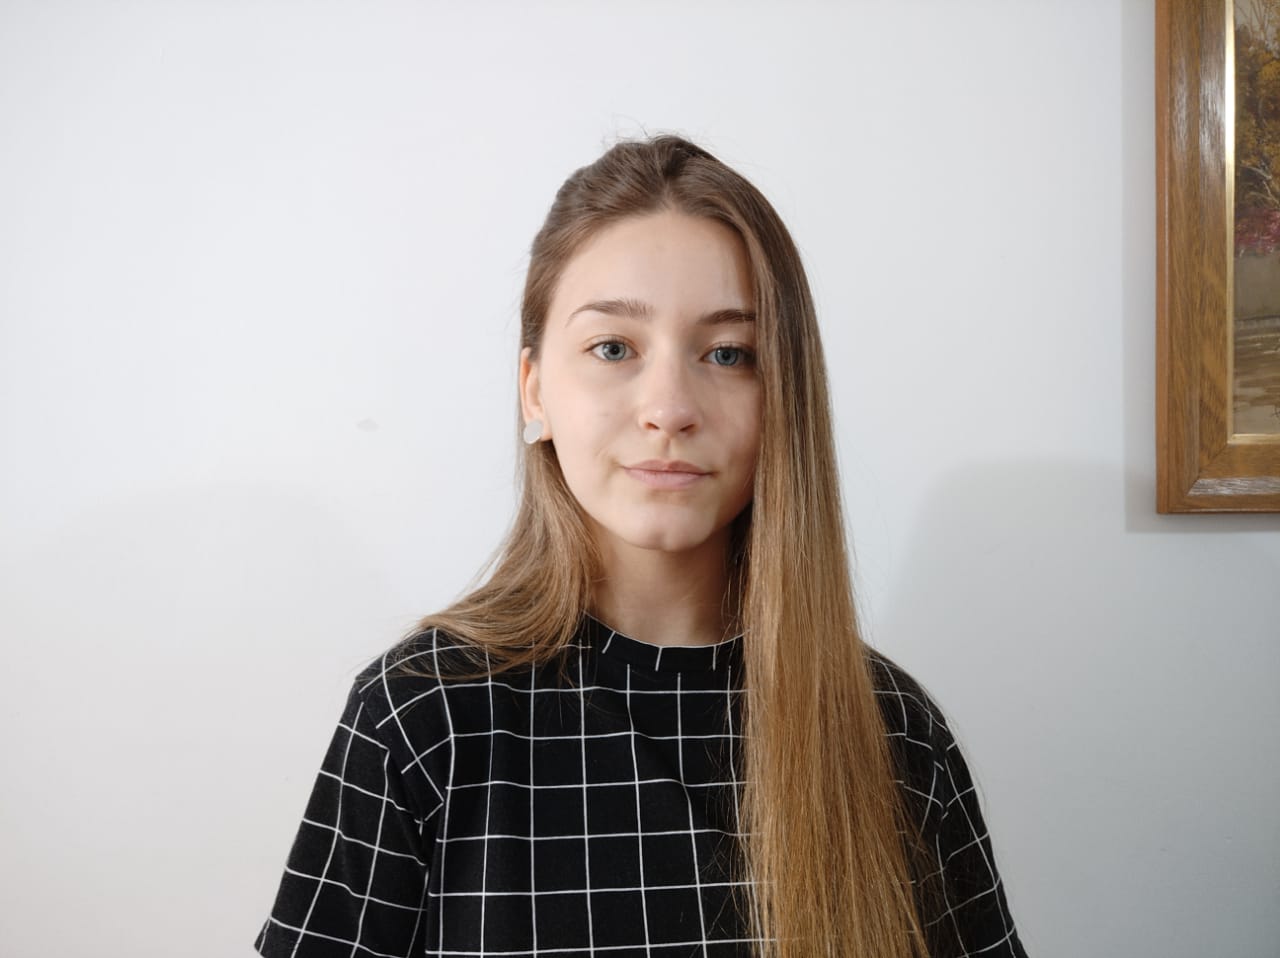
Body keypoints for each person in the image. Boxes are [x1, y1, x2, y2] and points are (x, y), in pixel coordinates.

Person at [254, 134, 1029, 958]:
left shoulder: (893, 734)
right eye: (614, 348)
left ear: (786, 396)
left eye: (728, 354)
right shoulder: (424, 716)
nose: (668, 408)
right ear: (534, 391)